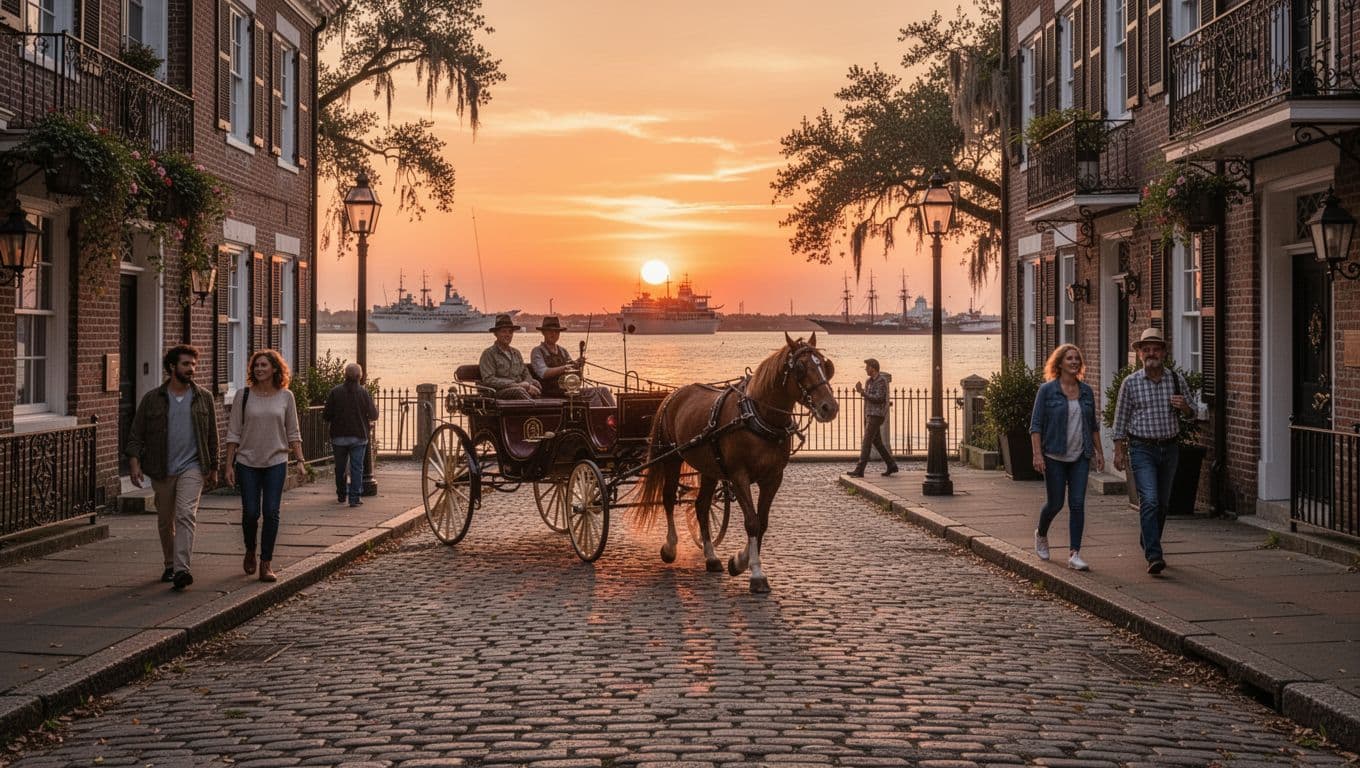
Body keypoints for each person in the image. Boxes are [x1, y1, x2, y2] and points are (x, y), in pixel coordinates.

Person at [126, 344, 219, 592]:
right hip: (161, 468)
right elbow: (136, 434)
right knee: (166, 521)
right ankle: (169, 563)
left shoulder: (204, 398)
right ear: (171, 367)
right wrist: (134, 463)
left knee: (186, 514)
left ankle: (181, 569)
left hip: (193, 466)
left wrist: (214, 467)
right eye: (186, 364)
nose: (191, 369)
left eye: (193, 364)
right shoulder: (152, 399)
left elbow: (212, 436)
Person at [1112, 328, 1204, 575]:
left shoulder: (1175, 380)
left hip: (1170, 448)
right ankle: (1154, 554)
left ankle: (1148, 538)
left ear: (1163, 352)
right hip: (1142, 449)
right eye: (1146, 349)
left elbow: (1193, 412)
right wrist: (1118, 451)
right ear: (1140, 354)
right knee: (1149, 500)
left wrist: (1185, 406)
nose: (1151, 353)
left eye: (1155, 348)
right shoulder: (1130, 383)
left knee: (1162, 504)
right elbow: (1120, 420)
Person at [225, 349, 306, 583]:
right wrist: (228, 465)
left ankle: (266, 562)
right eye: (256, 365)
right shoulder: (244, 395)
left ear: (275, 369)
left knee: (271, 512)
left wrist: (300, 461)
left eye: (264, 365)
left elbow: (293, 431)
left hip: (276, 461)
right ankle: (250, 549)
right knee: (251, 513)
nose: (260, 369)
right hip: (247, 462)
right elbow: (233, 432)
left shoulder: (286, 396)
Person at [1029, 344, 1103, 571]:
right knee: (1055, 503)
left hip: (1080, 456)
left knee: (1078, 504)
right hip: (1054, 456)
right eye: (1069, 358)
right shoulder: (1047, 391)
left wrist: (1099, 452)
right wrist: (1037, 455)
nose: (1074, 362)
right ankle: (1041, 533)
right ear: (1059, 363)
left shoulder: (1086, 392)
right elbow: (1036, 425)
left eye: (1077, 359)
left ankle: (1074, 553)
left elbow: (1092, 426)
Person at [323, 362, 379, 508]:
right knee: (357, 467)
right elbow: (374, 414)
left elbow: (326, 415)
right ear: (360, 377)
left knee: (340, 467)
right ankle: (354, 497)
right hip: (359, 436)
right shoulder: (364, 393)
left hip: (339, 436)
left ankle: (341, 493)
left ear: (345, 375)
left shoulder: (335, 392)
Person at [530, 316, 615, 407]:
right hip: (550, 392)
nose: (553, 334)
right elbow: (543, 373)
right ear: (543, 332)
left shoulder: (563, 351)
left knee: (603, 390)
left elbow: (575, 375)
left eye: (556, 331)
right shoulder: (537, 351)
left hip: (569, 390)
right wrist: (565, 368)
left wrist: (577, 365)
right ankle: (597, 418)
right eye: (550, 331)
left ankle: (615, 415)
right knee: (593, 394)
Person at [848, 358, 898, 478]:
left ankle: (860, 470)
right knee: (878, 443)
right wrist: (865, 415)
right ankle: (892, 465)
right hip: (870, 415)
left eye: (867, 367)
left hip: (877, 415)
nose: (865, 369)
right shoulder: (868, 381)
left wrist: (862, 392)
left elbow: (879, 398)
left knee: (866, 442)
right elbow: (868, 400)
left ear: (873, 368)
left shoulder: (881, 381)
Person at [479, 314, 541, 399]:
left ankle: (551, 409)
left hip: (521, 388)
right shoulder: (488, 354)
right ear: (496, 334)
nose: (507, 334)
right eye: (504, 331)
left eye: (510, 332)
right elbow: (489, 380)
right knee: (519, 391)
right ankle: (533, 408)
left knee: (537, 384)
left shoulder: (516, 353)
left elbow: (525, 373)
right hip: (497, 392)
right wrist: (517, 385)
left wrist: (529, 384)